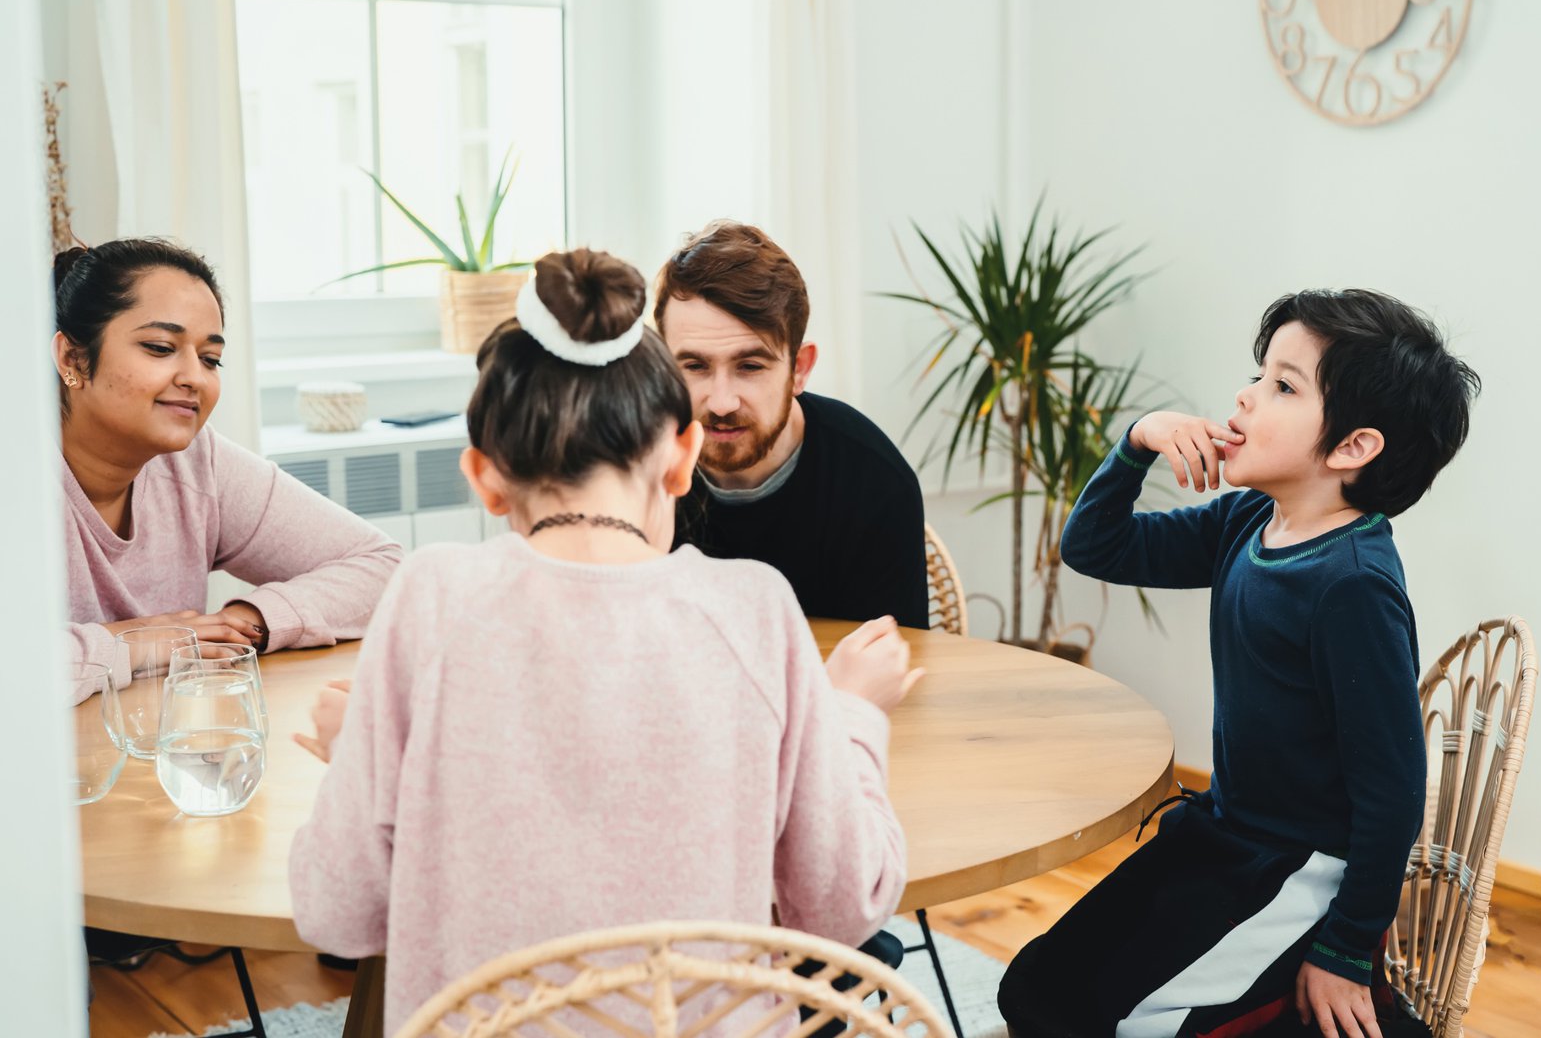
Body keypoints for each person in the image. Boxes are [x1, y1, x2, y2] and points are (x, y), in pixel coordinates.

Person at [289, 249, 920, 1035]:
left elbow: (336, 914)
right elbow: (843, 907)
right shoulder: (757, 608)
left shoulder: (430, 598)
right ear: (683, 458)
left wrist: (362, 758)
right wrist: (852, 714)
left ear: (483, 478)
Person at [998, 290, 1480, 1038]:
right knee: (1038, 988)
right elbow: (1097, 547)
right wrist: (1137, 443)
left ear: (1353, 447)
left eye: (1283, 386)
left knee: (1132, 1023)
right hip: (1223, 835)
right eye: (1260, 375)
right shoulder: (1250, 519)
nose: (1245, 398)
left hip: (1300, 866)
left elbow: (1392, 792)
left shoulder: (1352, 585)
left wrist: (1348, 947)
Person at [55, 238, 402, 703]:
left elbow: (384, 568)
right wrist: (138, 642)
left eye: (210, 358)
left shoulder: (198, 462)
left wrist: (247, 622)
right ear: (73, 359)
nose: (195, 377)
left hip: (160, 757)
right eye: (160, 347)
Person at [654, 221, 929, 631]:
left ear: (799, 369)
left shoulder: (875, 484)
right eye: (694, 366)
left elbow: (891, 669)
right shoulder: (631, 469)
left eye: (750, 366)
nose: (722, 402)